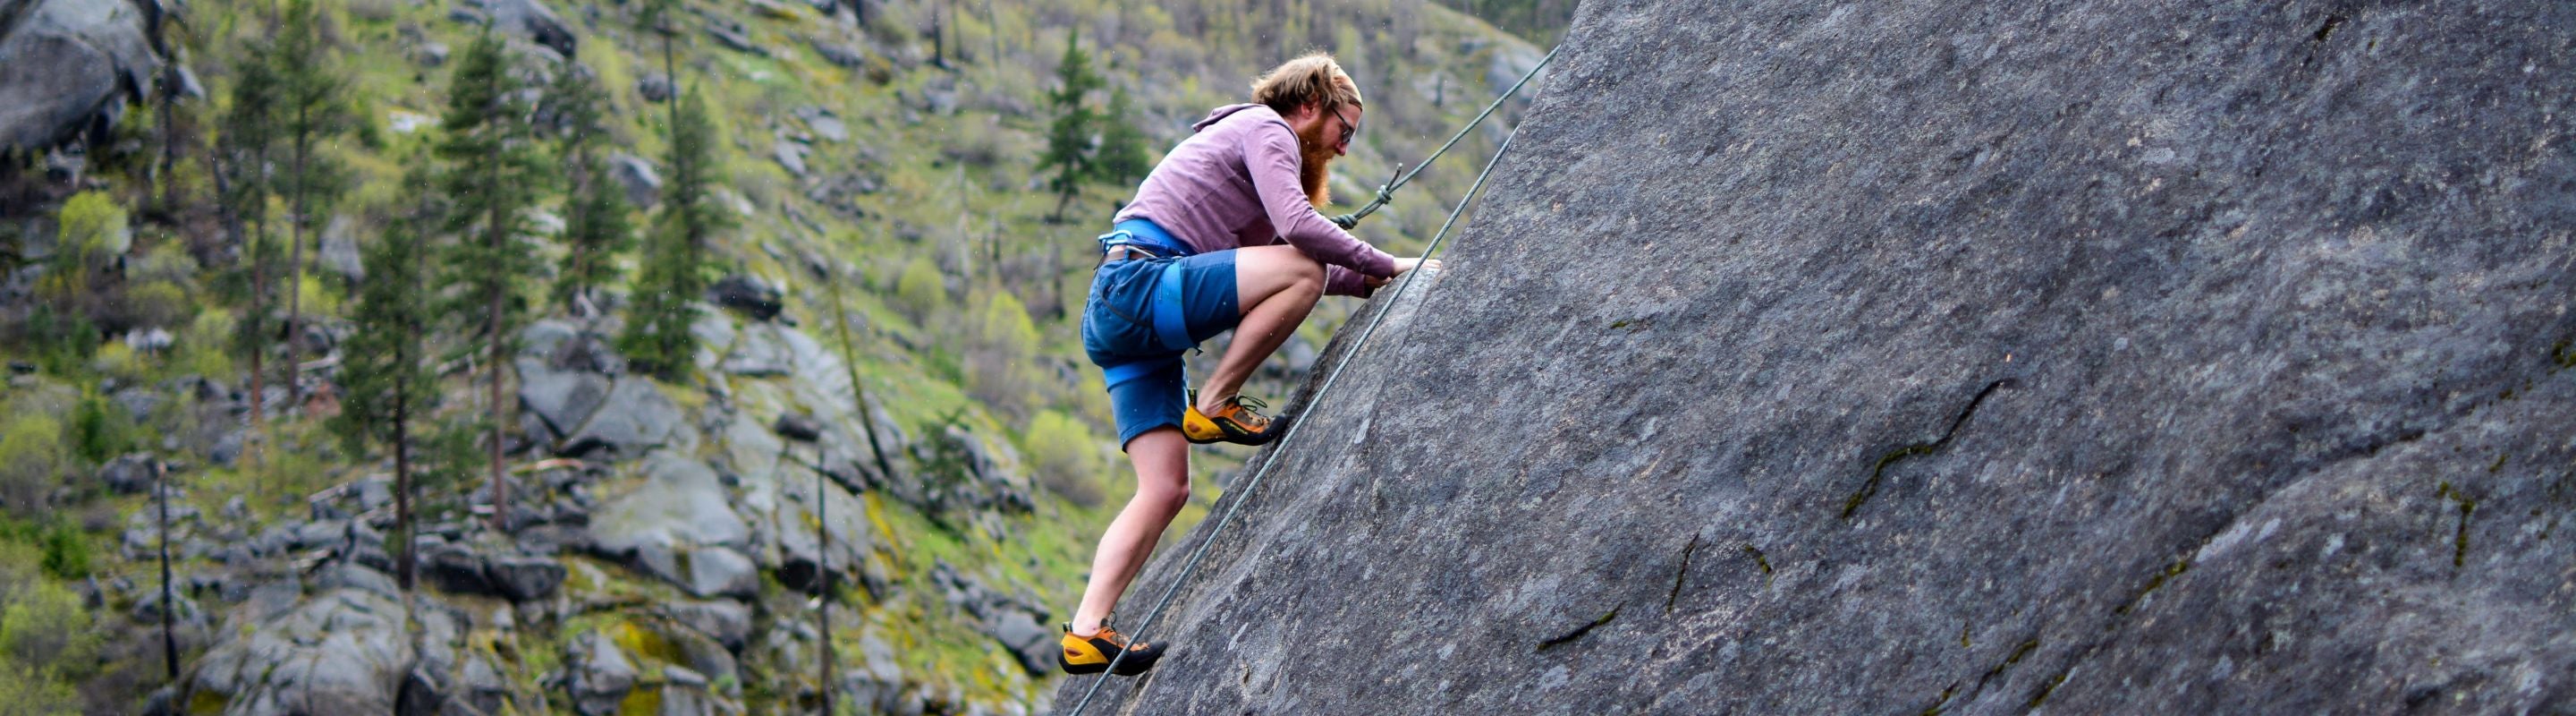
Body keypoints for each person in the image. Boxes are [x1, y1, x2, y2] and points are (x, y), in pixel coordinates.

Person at [1059, 53, 1438, 676]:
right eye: (1344, 130)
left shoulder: (1246, 150)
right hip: (1142, 287)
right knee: (1303, 268)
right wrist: (1386, 262)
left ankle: (1085, 631)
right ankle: (1215, 402)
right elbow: (1299, 237)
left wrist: (1373, 278)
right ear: (1310, 106)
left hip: (1123, 317)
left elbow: (1280, 256)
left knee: (1165, 488)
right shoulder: (1267, 128)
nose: (1344, 148)